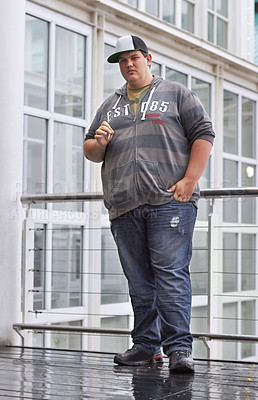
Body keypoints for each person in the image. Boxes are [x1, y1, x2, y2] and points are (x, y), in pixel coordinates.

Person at [83, 35, 215, 373]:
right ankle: (146, 345)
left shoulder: (176, 93)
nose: (128, 64)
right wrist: (99, 141)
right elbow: (91, 152)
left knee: (170, 275)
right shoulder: (110, 104)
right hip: (125, 204)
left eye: (134, 58)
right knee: (139, 280)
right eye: (122, 60)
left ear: (148, 59)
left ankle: (179, 350)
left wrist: (189, 180)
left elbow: (203, 133)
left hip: (169, 201)